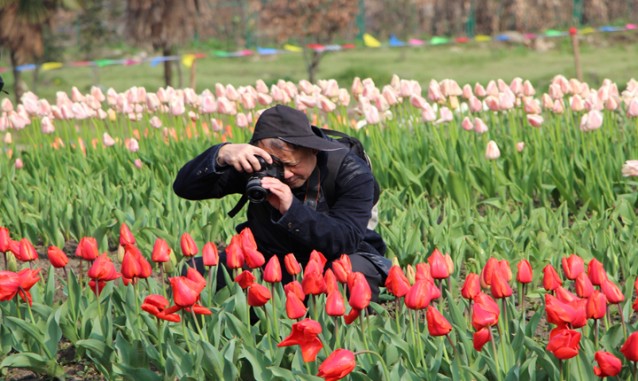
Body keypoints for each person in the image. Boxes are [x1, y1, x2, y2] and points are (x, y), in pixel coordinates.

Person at [173, 104, 390, 300]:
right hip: (270, 256)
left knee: (350, 276)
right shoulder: (257, 164)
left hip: (335, 257)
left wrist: (291, 210)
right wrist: (220, 154)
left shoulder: (351, 172)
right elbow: (184, 188)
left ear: (314, 149)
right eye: (277, 166)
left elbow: (345, 239)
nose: (285, 174)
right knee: (193, 274)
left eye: (291, 164)